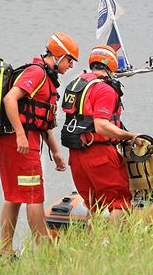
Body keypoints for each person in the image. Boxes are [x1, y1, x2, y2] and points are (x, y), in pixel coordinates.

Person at [0, 32, 79, 255]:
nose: (70, 65)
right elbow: (9, 99)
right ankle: (44, 251)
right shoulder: (36, 73)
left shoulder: (47, 79)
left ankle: (6, 253)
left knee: (14, 197)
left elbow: (42, 121)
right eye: (69, 60)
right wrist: (21, 135)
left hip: (16, 140)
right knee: (34, 195)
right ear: (59, 56)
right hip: (20, 142)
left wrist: (55, 151)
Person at [60, 45, 141, 221]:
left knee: (95, 205)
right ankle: (113, 246)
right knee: (121, 202)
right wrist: (131, 136)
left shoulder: (78, 83)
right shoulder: (105, 89)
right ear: (111, 66)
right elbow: (101, 126)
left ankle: (92, 246)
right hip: (99, 154)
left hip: (76, 155)